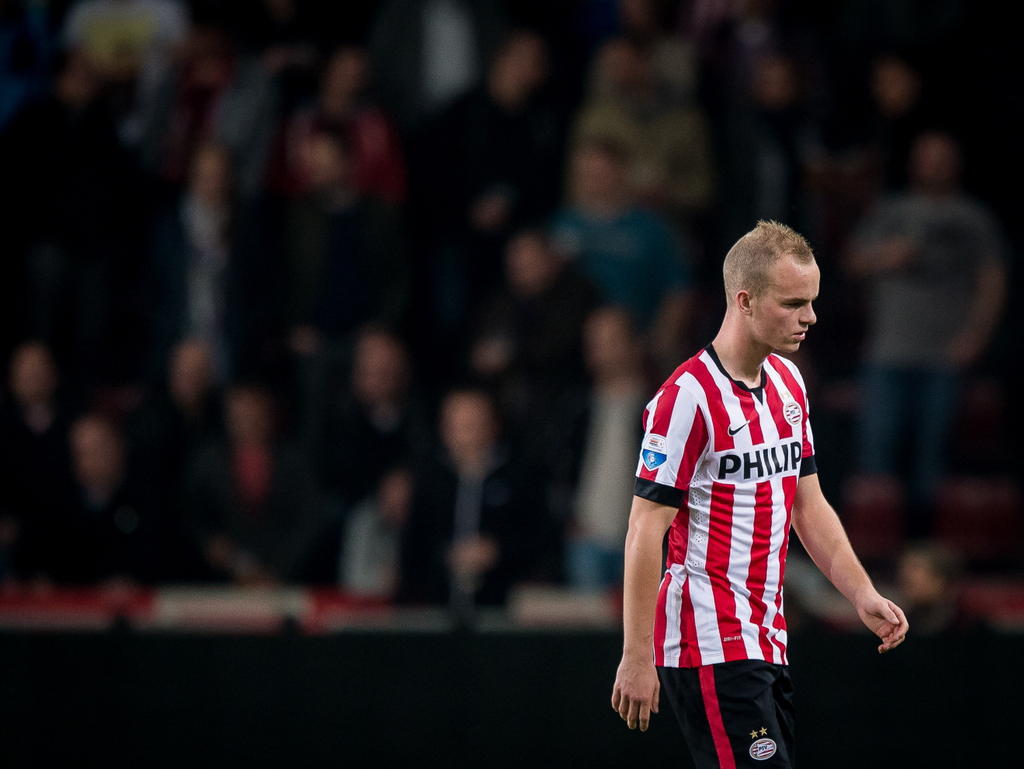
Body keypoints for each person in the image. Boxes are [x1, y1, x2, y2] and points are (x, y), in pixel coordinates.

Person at [610, 221, 908, 768]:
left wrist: (860, 593)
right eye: (794, 303)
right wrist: (636, 654)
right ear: (744, 300)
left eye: (812, 302)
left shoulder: (790, 383)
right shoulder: (687, 398)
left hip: (766, 638)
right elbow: (643, 528)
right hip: (707, 641)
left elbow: (806, 504)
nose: (810, 317)